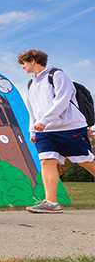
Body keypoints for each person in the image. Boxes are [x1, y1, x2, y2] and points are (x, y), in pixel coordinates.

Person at [19, 49, 95, 213]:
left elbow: (62, 101)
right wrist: (33, 130)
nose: (22, 67)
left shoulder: (57, 75)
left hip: (69, 127)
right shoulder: (31, 83)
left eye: (24, 63)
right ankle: (51, 203)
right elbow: (32, 109)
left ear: (33, 60)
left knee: (85, 161)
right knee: (47, 161)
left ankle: (51, 203)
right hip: (44, 131)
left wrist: (44, 121)